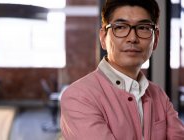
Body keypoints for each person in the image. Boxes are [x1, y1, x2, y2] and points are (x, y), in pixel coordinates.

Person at [60, 0, 184, 139]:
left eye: (143, 27)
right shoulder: (79, 97)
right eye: (120, 27)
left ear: (155, 40)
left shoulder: (158, 95)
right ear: (103, 37)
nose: (132, 38)